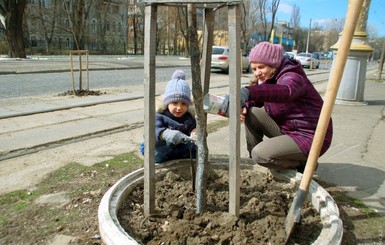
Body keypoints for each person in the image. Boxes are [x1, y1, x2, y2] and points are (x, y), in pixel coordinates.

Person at [220, 42, 333, 173]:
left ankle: (302, 164)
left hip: (311, 136)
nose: (257, 73)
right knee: (252, 112)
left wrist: (248, 92)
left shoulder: (292, 76)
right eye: (254, 69)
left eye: (261, 67)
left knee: (260, 154)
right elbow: (259, 100)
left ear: (273, 64)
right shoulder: (271, 77)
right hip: (290, 130)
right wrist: (245, 105)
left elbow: (285, 91)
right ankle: (255, 162)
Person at [140, 70, 197, 163]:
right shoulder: (159, 116)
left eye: (183, 104)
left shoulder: (188, 117)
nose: (179, 108)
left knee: (194, 148)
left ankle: (188, 163)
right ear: (167, 102)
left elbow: (195, 127)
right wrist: (165, 134)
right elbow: (154, 131)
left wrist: (195, 131)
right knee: (153, 149)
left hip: (179, 149)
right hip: (160, 148)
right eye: (174, 103)